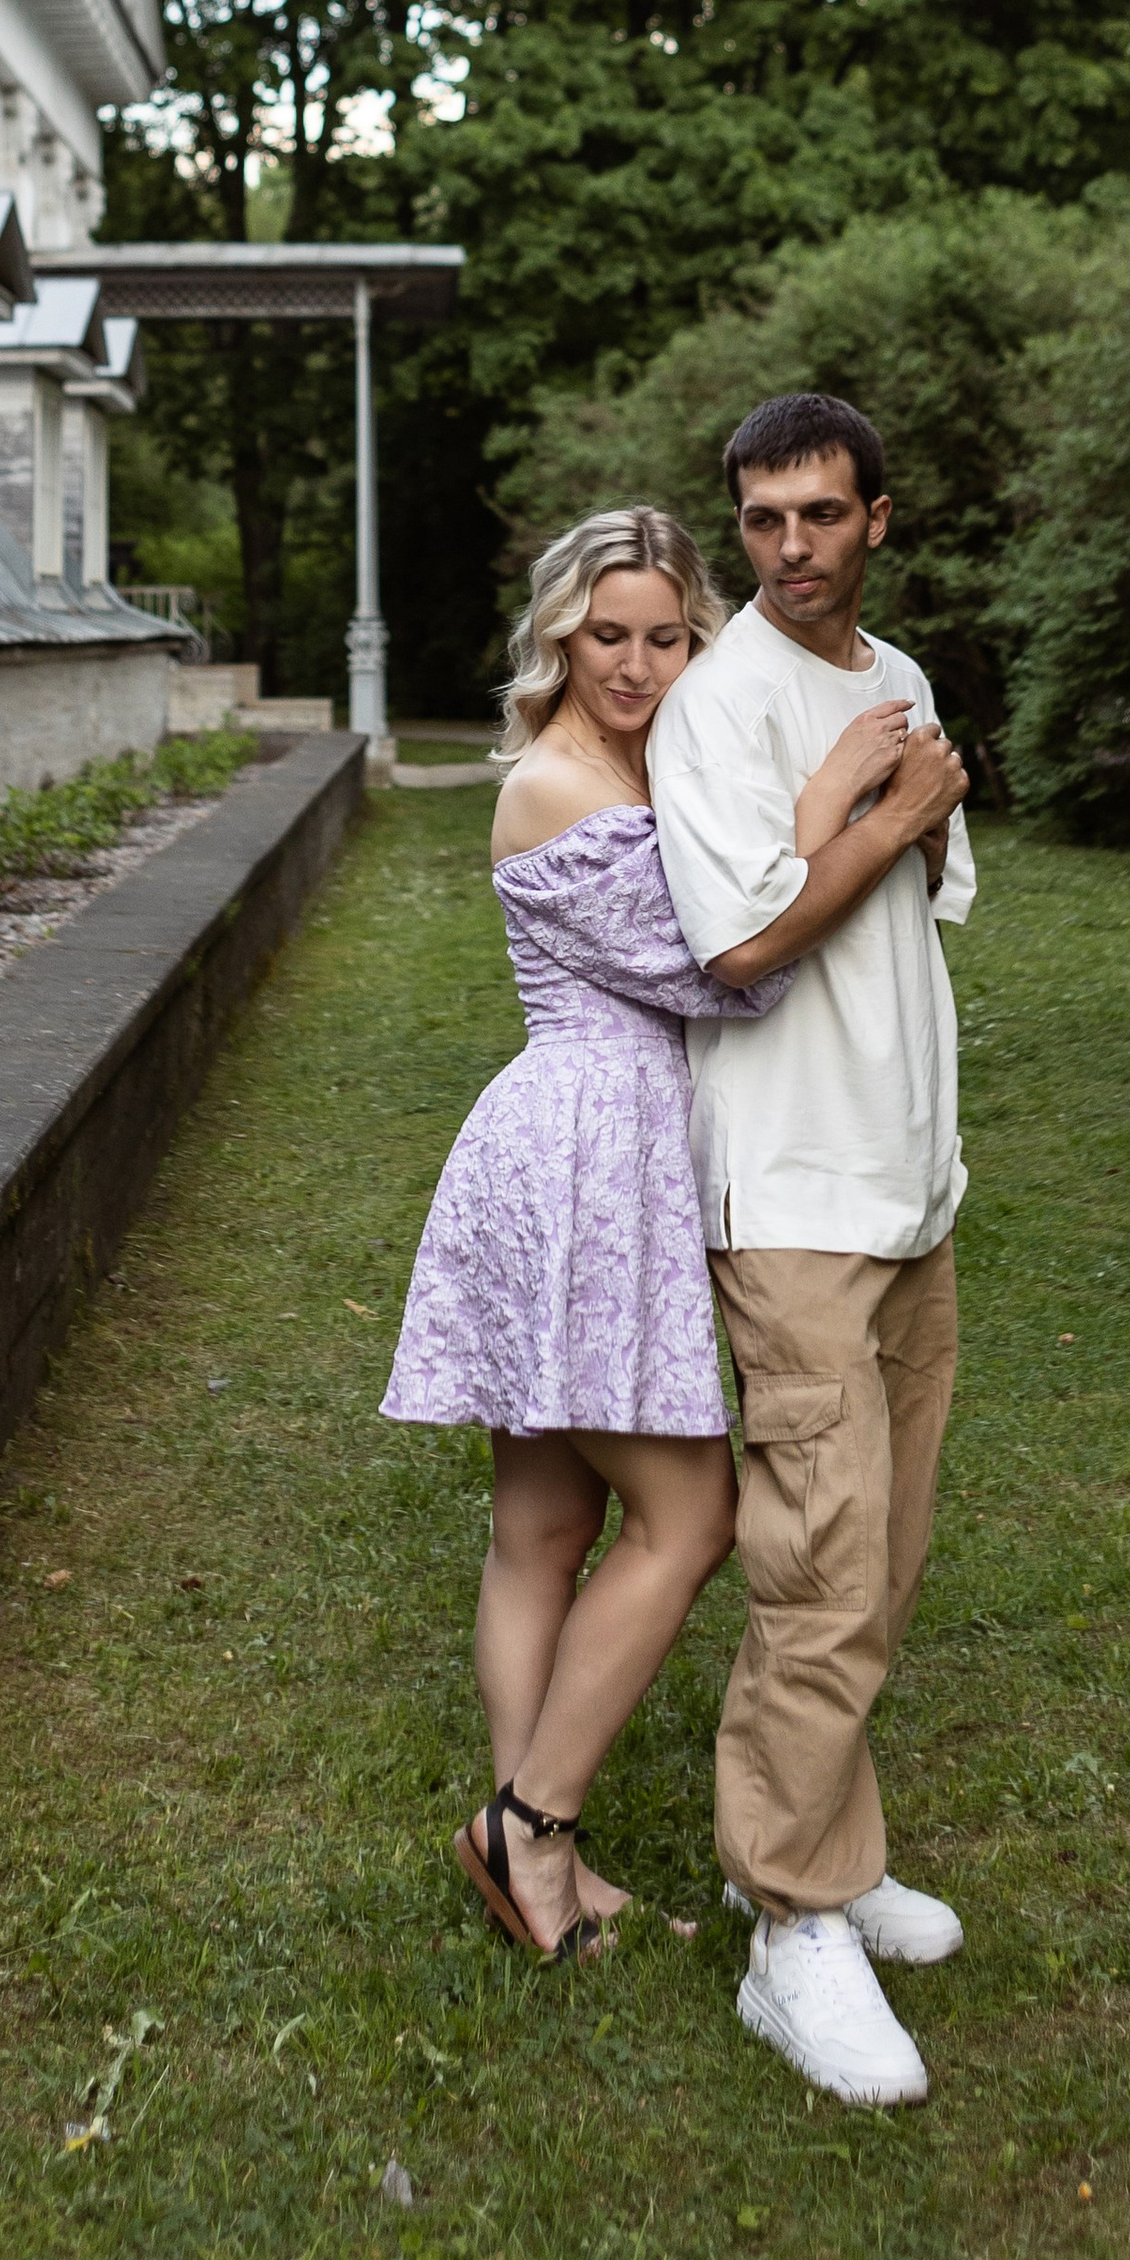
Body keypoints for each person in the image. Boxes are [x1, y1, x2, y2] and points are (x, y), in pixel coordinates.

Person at [381, 503, 904, 1964]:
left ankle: (538, 1854)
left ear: (698, 634)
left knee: (547, 1525)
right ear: (561, 633)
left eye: (667, 634)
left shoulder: (646, 756)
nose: (634, 660)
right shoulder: (559, 783)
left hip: (598, 1146)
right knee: (694, 1516)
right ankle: (530, 1825)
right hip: (579, 1157)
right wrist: (851, 812)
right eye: (605, 633)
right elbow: (720, 966)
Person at [645, 392, 974, 2107]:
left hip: (907, 1183)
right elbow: (745, 945)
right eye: (762, 520)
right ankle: (788, 1929)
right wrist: (865, 799)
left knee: (885, 1549)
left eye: (821, 515)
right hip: (789, 1196)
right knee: (818, 1561)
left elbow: (928, 892)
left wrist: (896, 790)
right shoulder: (721, 709)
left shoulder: (897, 676)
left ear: (878, 518)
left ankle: (823, 1848)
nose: (790, 549)